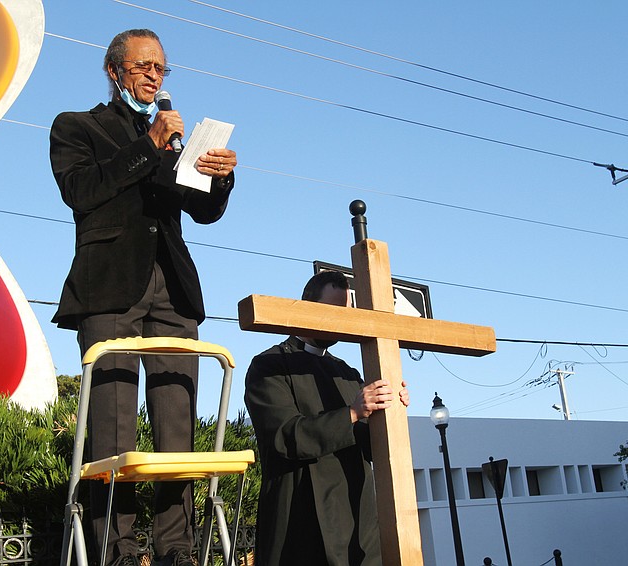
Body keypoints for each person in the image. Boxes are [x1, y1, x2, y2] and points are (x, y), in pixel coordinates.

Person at [49, 28, 237, 566]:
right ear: (115, 72)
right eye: (143, 67)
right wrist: (148, 145)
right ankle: (117, 550)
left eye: (161, 69)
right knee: (113, 426)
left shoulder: (173, 140)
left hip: (171, 290)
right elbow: (81, 192)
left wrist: (219, 178)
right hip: (109, 287)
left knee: (177, 427)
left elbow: (202, 211)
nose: (154, 75)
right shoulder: (78, 127)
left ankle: (176, 548)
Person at [244, 271, 410, 566]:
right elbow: (284, 436)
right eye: (332, 311)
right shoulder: (268, 366)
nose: (340, 320)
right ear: (309, 306)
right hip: (302, 517)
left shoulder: (346, 373)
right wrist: (352, 413)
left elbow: (373, 449)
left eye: (344, 312)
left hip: (358, 522)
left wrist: (391, 410)